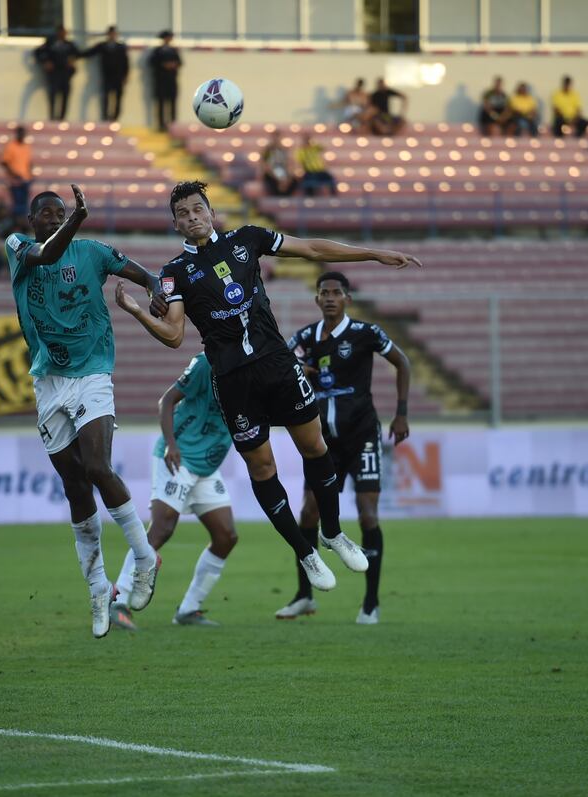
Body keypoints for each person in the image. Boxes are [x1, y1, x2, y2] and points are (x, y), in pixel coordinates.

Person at [120, 180, 420, 596]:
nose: (192, 217)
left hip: (277, 365)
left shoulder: (248, 239)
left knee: (315, 447)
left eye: (197, 209)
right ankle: (305, 551)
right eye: (183, 213)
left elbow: (312, 249)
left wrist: (372, 254)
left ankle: (332, 533)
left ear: (211, 211)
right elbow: (173, 334)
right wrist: (137, 311)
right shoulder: (174, 274)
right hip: (233, 381)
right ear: (175, 224)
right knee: (263, 469)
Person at [4, 186, 163, 639]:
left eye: (61, 213)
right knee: (74, 483)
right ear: (31, 220)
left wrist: (156, 290)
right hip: (47, 379)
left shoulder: (92, 251)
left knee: (96, 466)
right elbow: (46, 257)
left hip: (93, 372)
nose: (54, 219)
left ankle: (145, 555)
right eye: (46, 214)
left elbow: (145, 274)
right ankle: (98, 587)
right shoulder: (18, 247)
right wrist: (77, 218)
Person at [277, 271, 411, 625]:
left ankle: (370, 602)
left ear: (347, 298)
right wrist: (298, 369)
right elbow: (280, 359)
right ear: (317, 299)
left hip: (362, 435)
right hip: (323, 444)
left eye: (337, 292)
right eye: (325, 292)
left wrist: (401, 413)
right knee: (308, 514)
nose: (331, 297)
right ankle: (305, 595)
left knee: (368, 514)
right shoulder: (307, 336)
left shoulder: (365, 334)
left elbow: (402, 362)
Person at [106, 352, 237, 630]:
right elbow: (167, 401)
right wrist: (170, 444)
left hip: (207, 464)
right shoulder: (206, 363)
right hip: (178, 455)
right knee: (162, 528)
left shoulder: (254, 367)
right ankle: (118, 600)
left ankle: (188, 610)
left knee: (226, 536)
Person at [84, 25, 129, 122]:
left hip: (118, 76)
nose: (112, 35)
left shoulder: (121, 47)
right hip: (107, 76)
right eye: (110, 33)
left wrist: (125, 76)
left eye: (114, 33)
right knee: (105, 98)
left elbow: (126, 63)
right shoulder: (103, 46)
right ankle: (105, 117)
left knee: (118, 98)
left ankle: (115, 118)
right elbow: (88, 53)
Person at [35, 25, 79, 121]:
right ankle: (52, 117)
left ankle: (62, 118)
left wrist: (73, 60)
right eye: (61, 32)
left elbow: (78, 53)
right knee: (53, 95)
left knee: (65, 96)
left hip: (65, 74)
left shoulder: (69, 44)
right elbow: (38, 52)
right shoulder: (50, 43)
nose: (63, 34)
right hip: (54, 74)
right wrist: (45, 61)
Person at [150, 30, 183, 132]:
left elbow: (180, 62)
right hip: (161, 80)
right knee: (161, 103)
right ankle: (161, 125)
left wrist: (173, 65)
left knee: (172, 102)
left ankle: (173, 124)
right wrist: (163, 65)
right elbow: (152, 63)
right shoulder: (157, 50)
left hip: (171, 80)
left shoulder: (174, 50)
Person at [1, 126, 32, 216]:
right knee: (17, 204)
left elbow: (28, 162)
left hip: (25, 179)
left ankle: (22, 223)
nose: (22, 135)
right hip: (15, 181)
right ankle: (16, 223)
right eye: (20, 133)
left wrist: (30, 175)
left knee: (24, 204)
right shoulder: (11, 146)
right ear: (17, 134)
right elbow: (5, 162)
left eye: (23, 133)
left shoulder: (27, 147)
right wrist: (14, 175)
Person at [260, 131, 297, 197]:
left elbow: (288, 163)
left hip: (283, 171)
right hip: (272, 172)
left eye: (278, 137)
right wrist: (278, 178)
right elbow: (265, 165)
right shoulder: (268, 150)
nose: (277, 139)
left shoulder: (284, 150)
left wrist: (288, 177)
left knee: (294, 180)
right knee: (273, 182)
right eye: (275, 137)